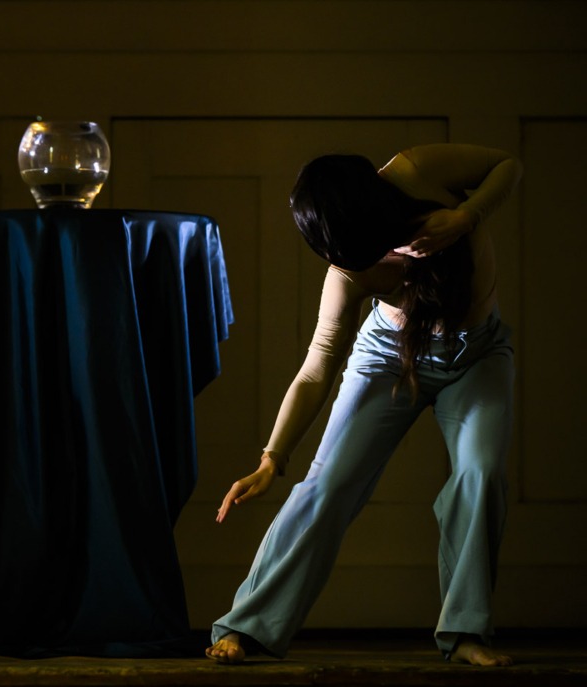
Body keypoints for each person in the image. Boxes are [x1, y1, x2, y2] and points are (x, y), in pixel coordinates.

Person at [206, 143, 523, 667]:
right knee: (327, 484)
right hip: (389, 358)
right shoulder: (347, 272)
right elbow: (316, 368)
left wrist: (466, 216)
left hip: (479, 357)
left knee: (481, 473)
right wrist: (272, 457)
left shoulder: (416, 171)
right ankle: (247, 625)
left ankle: (467, 633)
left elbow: (507, 166)